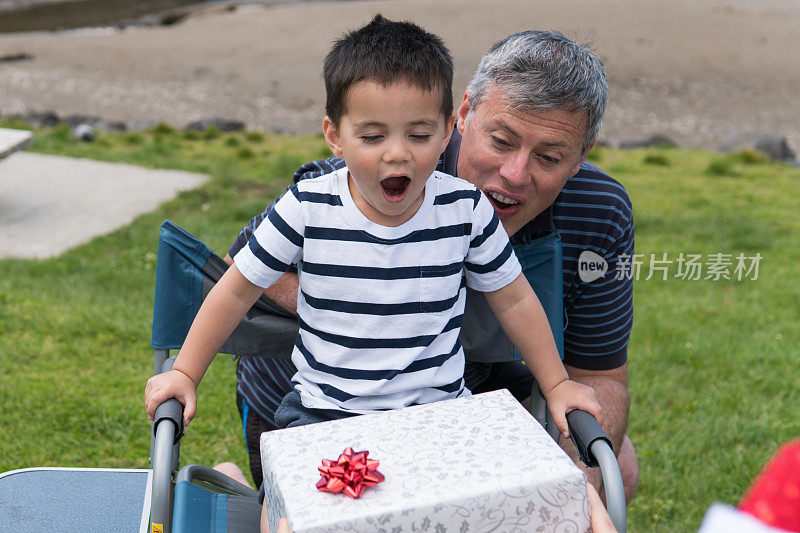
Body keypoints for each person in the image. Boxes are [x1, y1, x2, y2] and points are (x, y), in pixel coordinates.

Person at [145, 11, 599, 464]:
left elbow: (516, 300)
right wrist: (184, 372)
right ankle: (239, 481)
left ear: (447, 131)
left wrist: (557, 385)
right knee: (289, 517)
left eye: (419, 134)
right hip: (324, 413)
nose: (397, 153)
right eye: (373, 135)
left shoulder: (466, 210)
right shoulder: (307, 207)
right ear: (335, 137)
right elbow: (235, 290)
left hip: (440, 417)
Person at [229, 29, 639, 503]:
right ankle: (235, 481)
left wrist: (576, 487)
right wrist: (368, 308)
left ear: (581, 158)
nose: (515, 174)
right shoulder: (355, 186)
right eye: (501, 140)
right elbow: (236, 265)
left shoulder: (601, 212)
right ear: (462, 115)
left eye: (549, 157)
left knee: (615, 467)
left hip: (464, 402)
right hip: (315, 406)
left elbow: (601, 377)